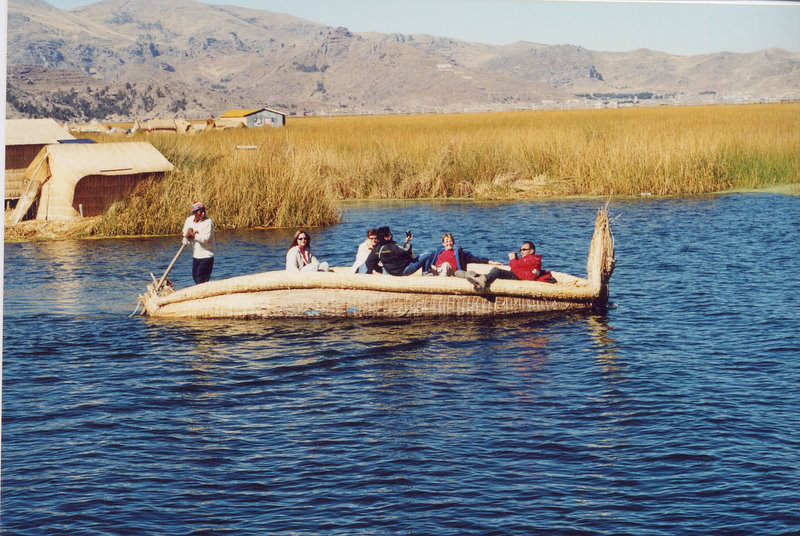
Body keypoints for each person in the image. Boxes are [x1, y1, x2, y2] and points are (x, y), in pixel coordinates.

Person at [467, 240, 556, 292]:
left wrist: (512, 259)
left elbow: (515, 267)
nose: (522, 251)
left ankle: (482, 280)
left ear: (531, 251)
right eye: (521, 250)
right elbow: (520, 266)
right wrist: (516, 260)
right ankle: (477, 276)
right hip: (518, 275)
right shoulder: (528, 259)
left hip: (520, 278)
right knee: (496, 271)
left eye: (524, 249)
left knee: (497, 270)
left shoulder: (535, 260)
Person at [423, 232, 501, 277]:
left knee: (445, 265)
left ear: (453, 242)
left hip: (448, 271)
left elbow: (475, 258)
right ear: (443, 243)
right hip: (436, 270)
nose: (449, 243)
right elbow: (426, 259)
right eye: (446, 241)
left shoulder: (458, 253)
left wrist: (490, 262)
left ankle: (440, 281)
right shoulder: (438, 252)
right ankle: (430, 276)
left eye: (450, 241)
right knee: (428, 259)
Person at [364, 226, 433, 276]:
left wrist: (373, 271)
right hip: (403, 270)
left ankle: (426, 272)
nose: (391, 235)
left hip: (391, 272)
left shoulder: (377, 248)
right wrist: (407, 242)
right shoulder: (392, 246)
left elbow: (369, 262)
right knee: (428, 254)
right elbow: (407, 252)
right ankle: (425, 274)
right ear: (386, 237)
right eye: (390, 234)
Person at [182, 201, 215, 284]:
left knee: (200, 278)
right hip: (196, 256)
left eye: (204, 211)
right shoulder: (189, 220)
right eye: (200, 212)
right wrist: (186, 236)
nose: (203, 214)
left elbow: (205, 239)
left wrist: (193, 235)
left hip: (207, 256)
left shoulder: (208, 222)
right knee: (195, 277)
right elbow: (185, 234)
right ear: (195, 213)